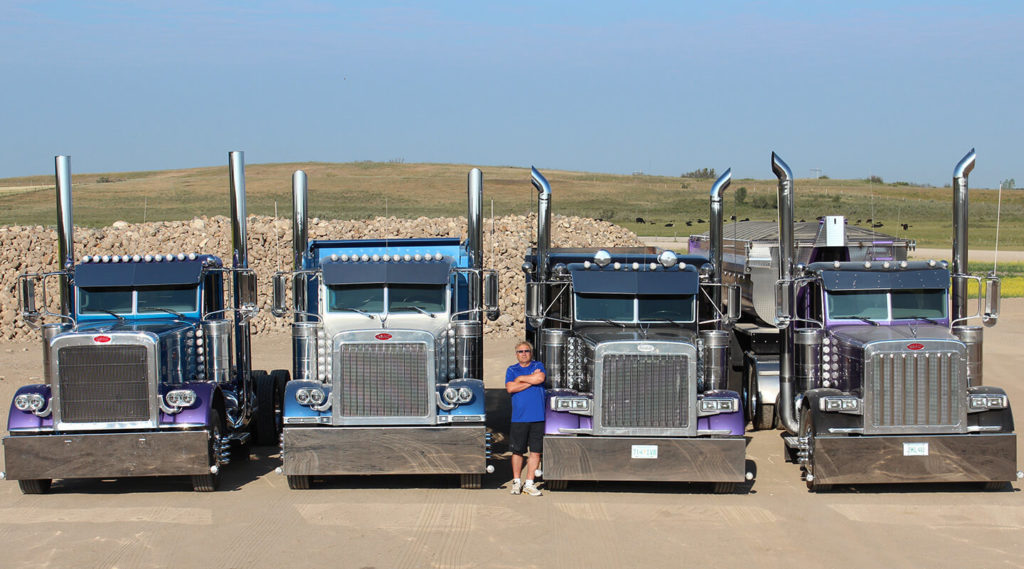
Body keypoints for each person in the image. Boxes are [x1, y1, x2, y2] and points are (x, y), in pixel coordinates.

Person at [505, 340, 546, 496]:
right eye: (520, 352)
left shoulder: (538, 366)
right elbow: (510, 388)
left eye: (526, 351)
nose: (524, 354)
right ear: (516, 354)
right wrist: (529, 380)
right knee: (517, 451)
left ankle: (529, 482)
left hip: (537, 416)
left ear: (531, 353)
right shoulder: (511, 369)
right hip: (519, 418)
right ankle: (516, 481)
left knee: (535, 451)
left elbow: (540, 379)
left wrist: (520, 379)